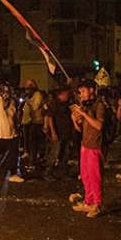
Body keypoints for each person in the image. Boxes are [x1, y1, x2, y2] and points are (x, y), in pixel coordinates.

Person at [71, 79, 105, 218]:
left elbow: (99, 126)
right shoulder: (86, 105)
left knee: (94, 176)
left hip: (95, 146)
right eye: (80, 92)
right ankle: (88, 201)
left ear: (92, 90)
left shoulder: (99, 105)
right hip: (85, 144)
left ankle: (96, 205)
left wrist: (84, 114)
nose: (81, 95)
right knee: (85, 176)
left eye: (83, 91)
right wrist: (75, 118)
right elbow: (79, 129)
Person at [44, 86, 74, 177]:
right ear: (61, 94)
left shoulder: (67, 103)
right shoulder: (55, 103)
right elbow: (50, 117)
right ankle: (48, 172)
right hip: (58, 133)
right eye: (66, 93)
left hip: (66, 133)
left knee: (65, 154)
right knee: (54, 153)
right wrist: (53, 132)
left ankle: (62, 173)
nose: (68, 95)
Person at [22, 80, 45, 169]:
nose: (26, 91)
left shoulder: (37, 95)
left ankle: (32, 162)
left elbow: (35, 107)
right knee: (30, 142)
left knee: (33, 143)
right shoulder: (30, 96)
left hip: (36, 122)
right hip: (29, 122)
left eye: (28, 88)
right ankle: (31, 158)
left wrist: (28, 101)